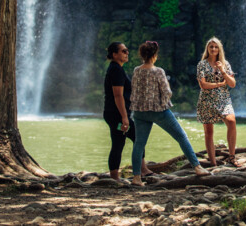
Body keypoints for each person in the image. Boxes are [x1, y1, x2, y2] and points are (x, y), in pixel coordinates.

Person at [130, 40, 210, 186]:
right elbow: (167, 92)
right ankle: (197, 167)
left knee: (139, 144)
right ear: (155, 55)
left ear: (142, 55)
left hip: (140, 112)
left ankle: (136, 178)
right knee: (181, 136)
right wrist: (164, 101)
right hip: (158, 111)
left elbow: (134, 90)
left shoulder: (136, 70)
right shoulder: (158, 71)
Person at [102, 42, 152, 180]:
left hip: (114, 113)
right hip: (117, 114)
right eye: (124, 51)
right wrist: (124, 117)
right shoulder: (116, 70)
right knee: (131, 139)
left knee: (127, 140)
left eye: (127, 50)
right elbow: (118, 95)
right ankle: (127, 174)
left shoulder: (116, 68)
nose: (127, 53)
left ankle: (138, 170)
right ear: (114, 54)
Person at [196, 37, 238, 166]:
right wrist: (219, 84)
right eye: (211, 47)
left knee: (231, 121)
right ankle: (213, 163)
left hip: (223, 99)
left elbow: (232, 84)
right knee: (209, 132)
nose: (213, 49)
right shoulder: (202, 64)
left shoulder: (225, 63)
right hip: (206, 100)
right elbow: (203, 85)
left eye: (215, 47)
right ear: (207, 49)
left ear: (219, 49)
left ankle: (232, 157)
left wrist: (223, 72)